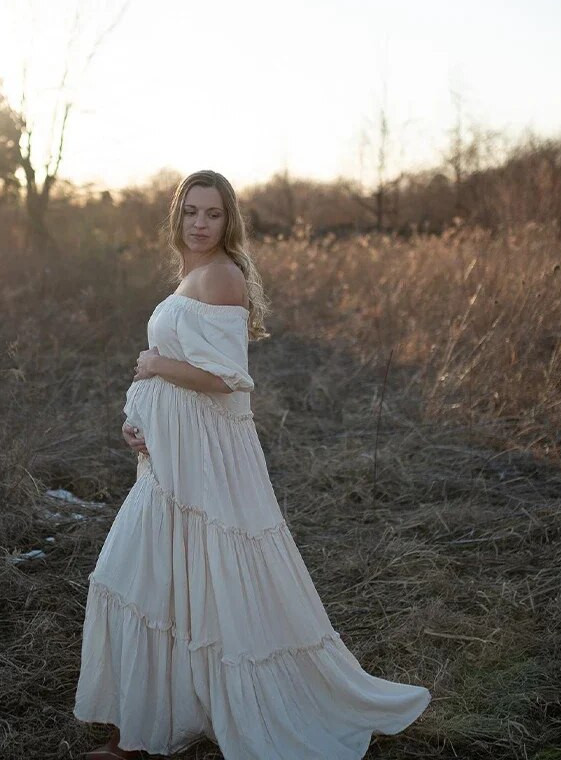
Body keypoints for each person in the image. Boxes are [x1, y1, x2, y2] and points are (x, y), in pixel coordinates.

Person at [73, 170, 431, 760]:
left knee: (144, 577)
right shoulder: (193, 274)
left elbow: (226, 379)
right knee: (151, 581)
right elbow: (188, 369)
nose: (199, 223)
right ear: (177, 216)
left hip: (203, 466)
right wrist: (140, 423)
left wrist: (156, 367)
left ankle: (135, 741)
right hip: (172, 462)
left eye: (212, 213)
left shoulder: (221, 276)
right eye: (190, 211)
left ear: (228, 220)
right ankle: (141, 732)